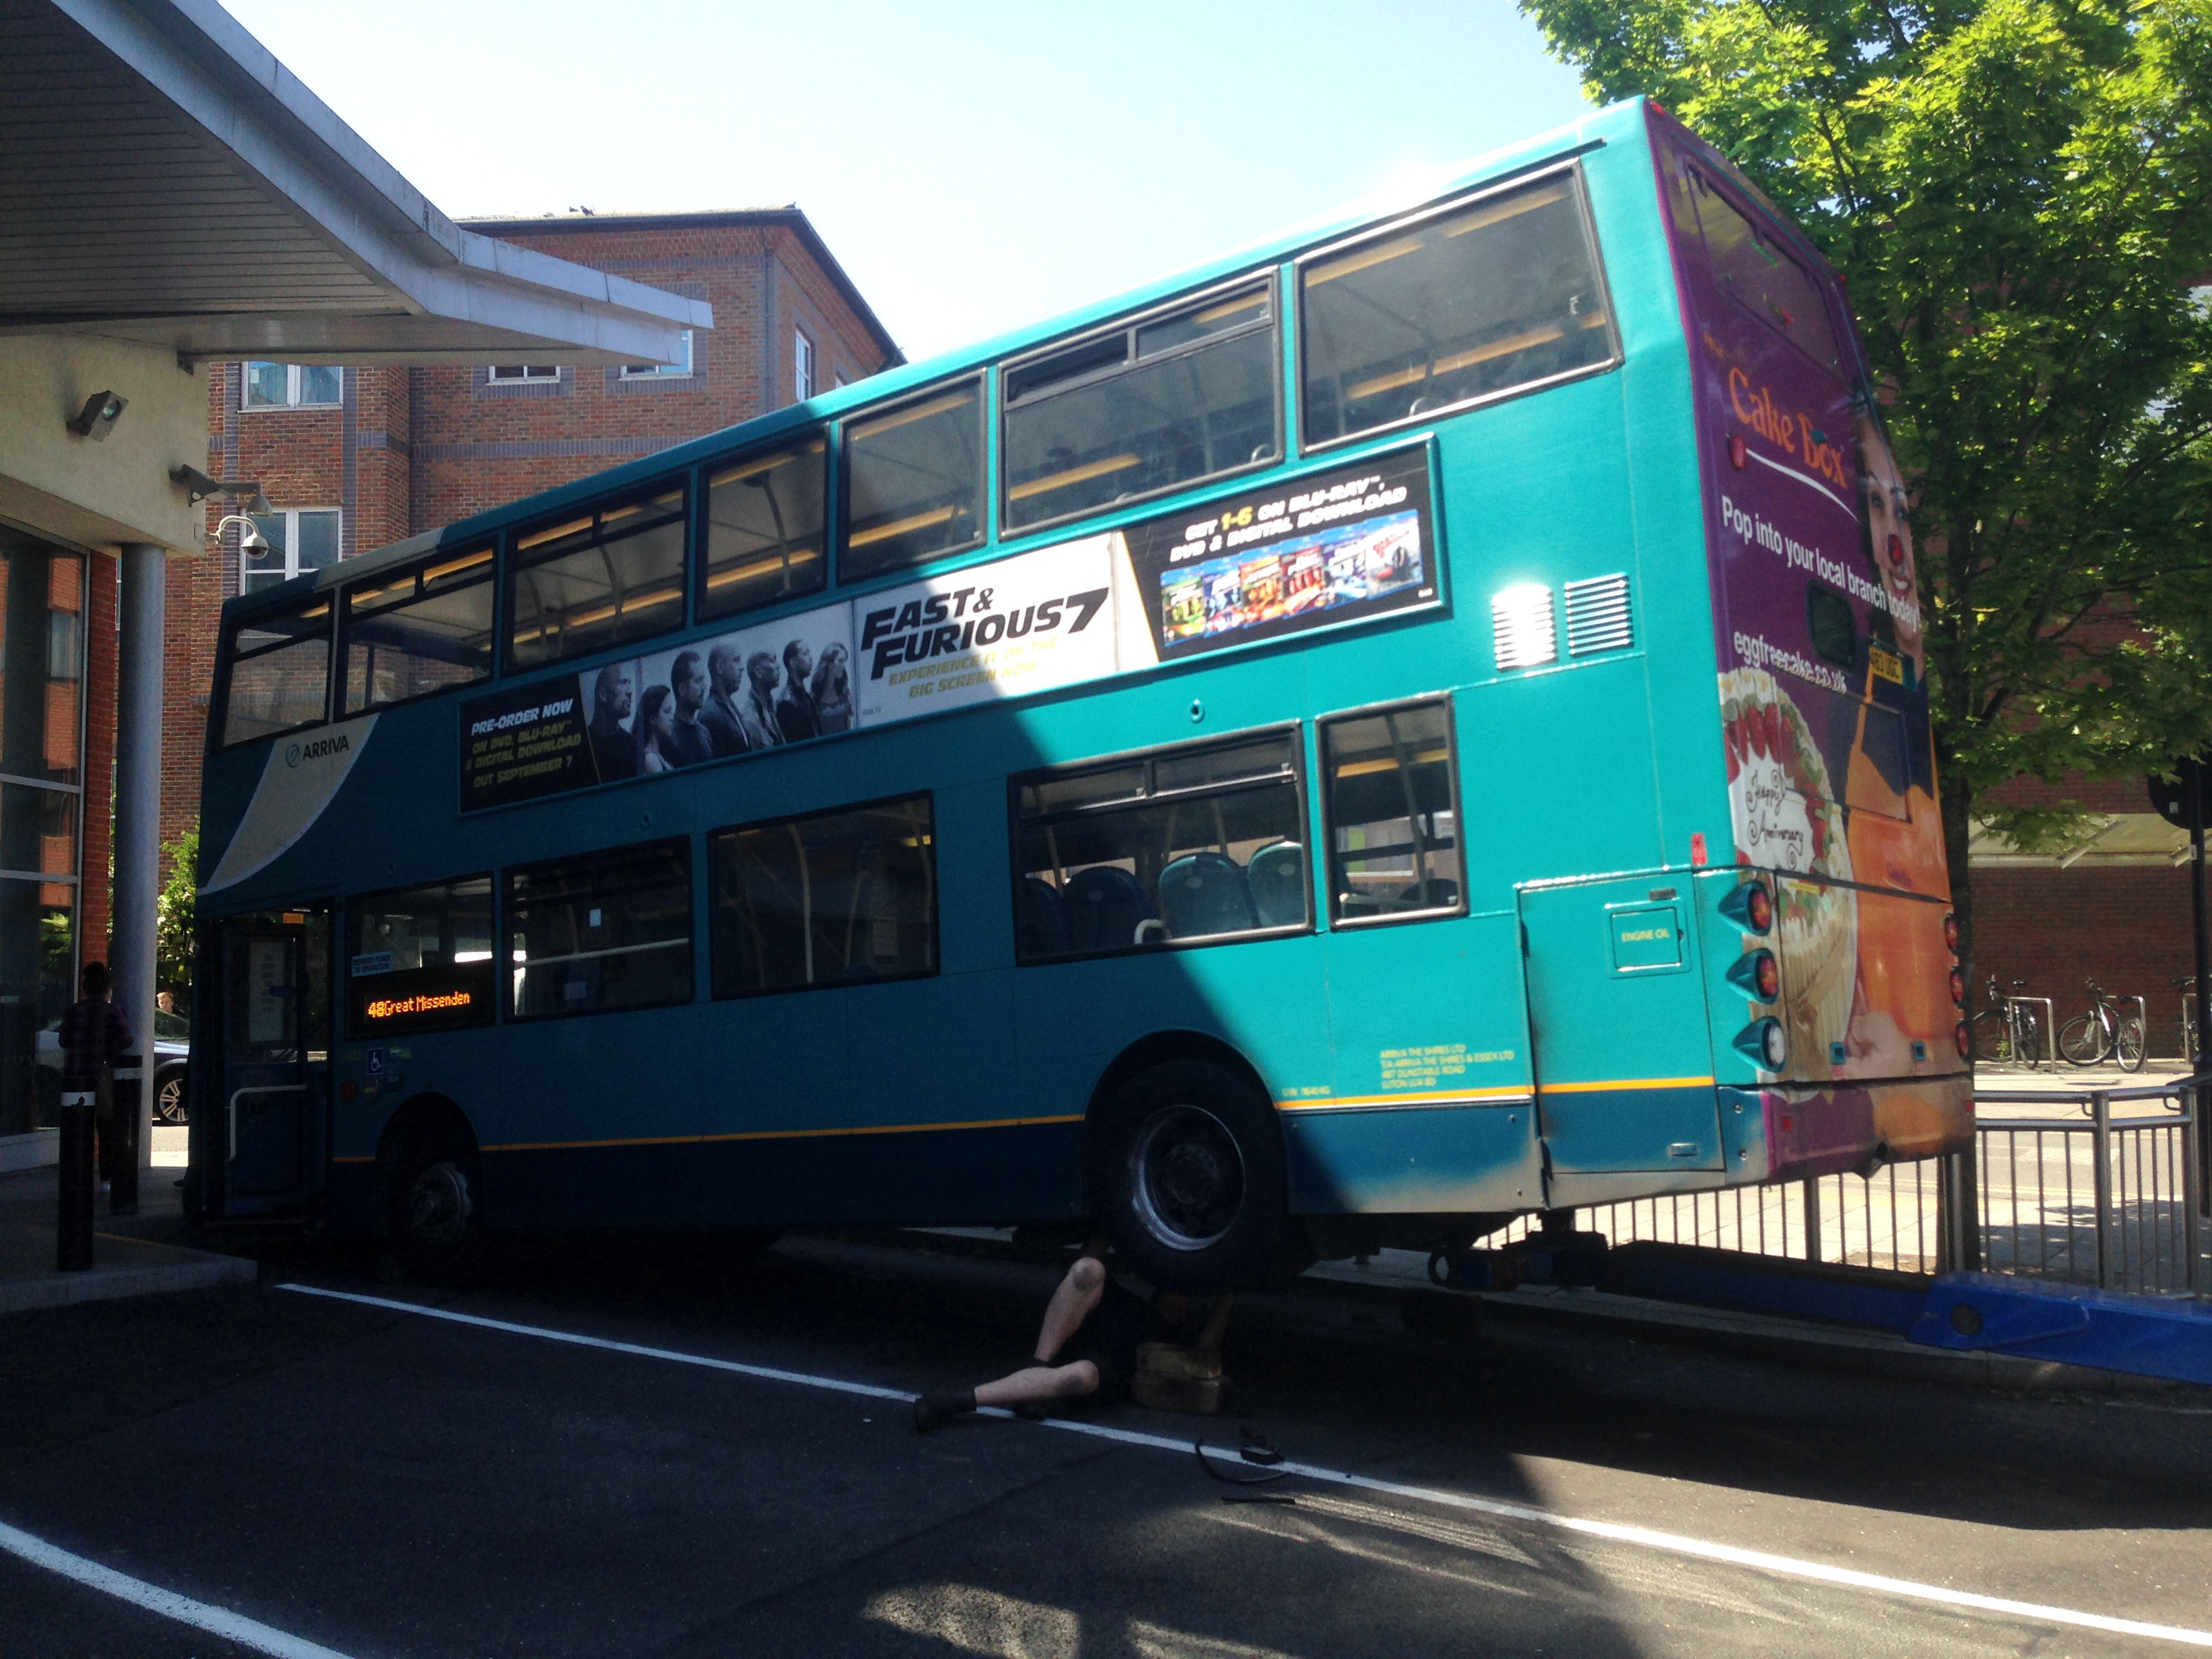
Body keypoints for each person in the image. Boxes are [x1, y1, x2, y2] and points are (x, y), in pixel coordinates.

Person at [913, 1236, 1222, 1433]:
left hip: (1103, 1367)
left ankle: (951, 1402)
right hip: (1062, 1340)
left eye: (1189, 1295)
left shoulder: (1171, 1338)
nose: (1183, 1292)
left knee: (1084, 1376)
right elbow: (1088, 1260)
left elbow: (1208, 1351)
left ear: (1184, 1314)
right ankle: (1037, 1367)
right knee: (1088, 1268)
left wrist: (1232, 1290)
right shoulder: (1125, 1301)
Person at [60, 960, 135, 1195]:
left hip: (76, 1078)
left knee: (78, 1129)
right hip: (103, 1076)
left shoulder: (75, 1011)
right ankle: (106, 1178)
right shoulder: (113, 1011)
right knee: (107, 1129)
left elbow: (64, 1040)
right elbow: (126, 1040)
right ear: (107, 989)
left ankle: (76, 1178)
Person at [663, 649, 716, 768]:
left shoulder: (705, 733)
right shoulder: (669, 737)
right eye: (698, 681)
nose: (704, 687)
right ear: (682, 689)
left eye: (703, 680)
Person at [699, 644, 752, 759]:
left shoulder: (730, 706)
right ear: (720, 667)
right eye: (736, 660)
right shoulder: (711, 715)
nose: (742, 667)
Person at [588, 662, 637, 781]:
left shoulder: (631, 744)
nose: (630, 692)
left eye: (630, 683)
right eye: (623, 682)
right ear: (603, 695)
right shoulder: (583, 743)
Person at [739, 650, 786, 749]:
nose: (778, 666)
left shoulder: (774, 707)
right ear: (758, 671)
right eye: (772, 661)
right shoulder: (750, 719)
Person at [775, 639, 820, 742]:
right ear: (793, 663)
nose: (811, 658)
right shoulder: (786, 702)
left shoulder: (805, 696)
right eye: (805, 654)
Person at [634, 684, 677, 775]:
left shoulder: (661, 754)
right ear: (653, 719)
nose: (672, 717)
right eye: (667, 711)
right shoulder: (651, 760)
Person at [812, 642, 854, 734]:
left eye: (845, 661)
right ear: (829, 663)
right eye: (840, 661)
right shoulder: (814, 698)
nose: (843, 666)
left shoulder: (845, 692)